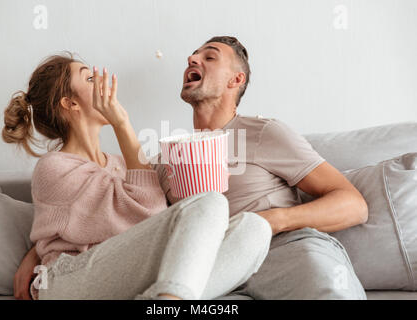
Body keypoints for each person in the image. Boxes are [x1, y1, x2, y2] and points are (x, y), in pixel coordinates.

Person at [2, 53, 273, 300]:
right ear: (70, 103)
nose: (103, 83)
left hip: (122, 276)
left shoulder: (121, 164)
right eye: (90, 77)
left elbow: (150, 227)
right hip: (67, 280)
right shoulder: (53, 167)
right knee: (210, 202)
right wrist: (122, 124)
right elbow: (150, 216)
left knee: (255, 228)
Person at [154, 36, 369, 299]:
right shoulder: (169, 157)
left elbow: (354, 205)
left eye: (209, 57)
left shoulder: (263, 133)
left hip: (281, 251)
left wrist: (272, 220)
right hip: (213, 268)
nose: (191, 59)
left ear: (236, 80)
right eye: (193, 56)